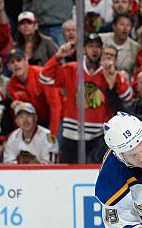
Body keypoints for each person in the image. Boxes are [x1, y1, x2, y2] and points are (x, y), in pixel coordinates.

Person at [40, 34, 133, 163]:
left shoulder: (108, 71)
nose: (94, 50)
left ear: (102, 49)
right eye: (90, 46)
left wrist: (114, 79)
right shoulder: (71, 69)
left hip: (99, 136)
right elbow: (44, 77)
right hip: (72, 134)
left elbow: (127, 98)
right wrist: (58, 56)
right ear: (84, 49)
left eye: (97, 46)